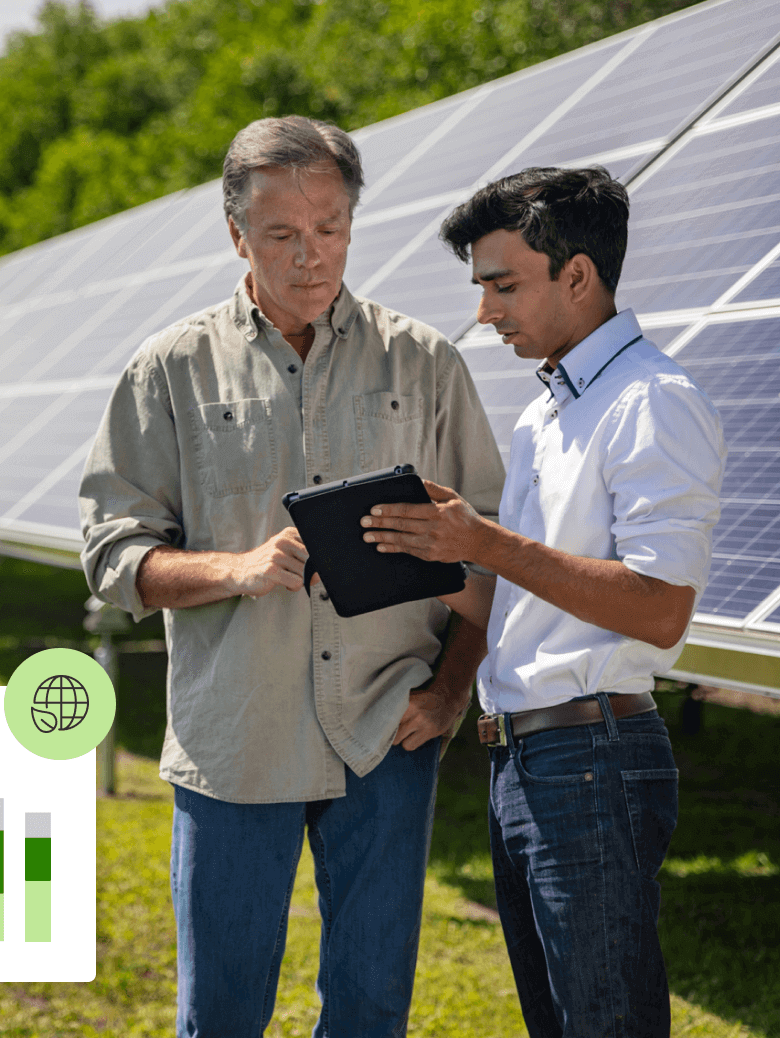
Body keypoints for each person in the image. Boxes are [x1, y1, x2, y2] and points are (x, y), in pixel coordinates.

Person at [78, 115, 505, 1035]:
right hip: (238, 739)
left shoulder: (425, 364)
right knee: (221, 1014)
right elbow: (112, 553)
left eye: (332, 230)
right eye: (281, 235)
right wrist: (236, 567)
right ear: (236, 233)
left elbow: (489, 546)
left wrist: (450, 690)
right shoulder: (168, 371)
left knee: (371, 1010)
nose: (312, 257)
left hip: (388, 737)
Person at [360, 166, 726, 1037]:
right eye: (481, 287)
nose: (486, 312)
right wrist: (411, 547)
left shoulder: (651, 404)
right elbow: (519, 589)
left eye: (503, 284)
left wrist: (485, 541)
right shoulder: (549, 414)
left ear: (578, 276)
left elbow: (660, 607)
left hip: (592, 757)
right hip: (526, 763)